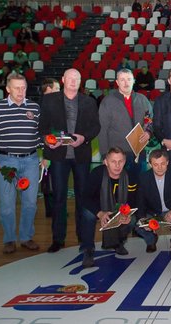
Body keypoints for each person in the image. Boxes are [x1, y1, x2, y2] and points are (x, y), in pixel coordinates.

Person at [39, 69, 101, 253]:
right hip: (58, 156)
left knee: (83, 197)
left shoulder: (88, 101)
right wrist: (47, 140)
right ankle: (58, 239)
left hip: (81, 156)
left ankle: (83, 236)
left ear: (80, 81)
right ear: (63, 79)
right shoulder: (50, 100)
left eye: (77, 78)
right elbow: (42, 127)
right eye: (70, 78)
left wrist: (85, 138)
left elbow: (96, 127)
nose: (73, 81)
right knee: (59, 197)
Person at [0, 73, 42, 254]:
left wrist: (46, 148)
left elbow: (39, 136)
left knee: (30, 203)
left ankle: (25, 237)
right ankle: (9, 238)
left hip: (31, 161)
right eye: (16, 88)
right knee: (7, 204)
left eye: (23, 87)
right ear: (7, 89)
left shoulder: (35, 108)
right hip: (6, 162)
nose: (20, 91)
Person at [80, 147, 138, 268]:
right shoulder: (97, 173)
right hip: (99, 207)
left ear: (125, 161)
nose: (117, 165)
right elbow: (85, 198)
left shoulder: (130, 176)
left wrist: (127, 214)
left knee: (131, 221)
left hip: (119, 209)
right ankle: (88, 249)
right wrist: (100, 213)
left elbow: (134, 201)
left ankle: (118, 243)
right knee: (87, 214)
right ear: (106, 162)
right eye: (113, 161)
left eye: (120, 161)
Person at [98, 68, 152, 178]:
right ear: (117, 82)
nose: (126, 83)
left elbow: (150, 119)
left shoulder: (142, 99)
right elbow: (102, 130)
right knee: (118, 189)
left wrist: (148, 132)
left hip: (139, 152)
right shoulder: (107, 101)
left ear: (134, 81)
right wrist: (104, 155)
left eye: (129, 79)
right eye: (122, 80)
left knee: (140, 186)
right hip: (117, 155)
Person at [135, 149, 171, 254]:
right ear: (150, 164)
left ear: (167, 162)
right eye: (155, 164)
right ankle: (151, 240)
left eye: (163, 164)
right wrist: (142, 219)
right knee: (137, 225)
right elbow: (140, 202)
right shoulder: (143, 178)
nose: (159, 168)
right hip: (153, 212)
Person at [39, 78, 60, 219]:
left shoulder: (53, 105)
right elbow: (44, 133)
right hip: (49, 150)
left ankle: (52, 210)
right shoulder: (44, 107)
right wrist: (46, 156)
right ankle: (52, 211)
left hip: (55, 148)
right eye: (57, 89)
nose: (59, 91)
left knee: (53, 180)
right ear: (48, 90)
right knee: (50, 180)